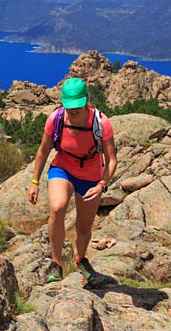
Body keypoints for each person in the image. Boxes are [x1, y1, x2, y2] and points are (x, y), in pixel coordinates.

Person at [27, 77, 117, 285]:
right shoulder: (56, 119)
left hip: (92, 177)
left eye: (77, 106)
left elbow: (111, 160)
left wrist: (101, 185)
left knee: (83, 227)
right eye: (69, 106)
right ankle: (56, 264)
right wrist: (34, 181)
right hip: (63, 168)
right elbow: (43, 151)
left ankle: (81, 259)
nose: (73, 111)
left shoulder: (100, 123)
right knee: (57, 208)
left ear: (86, 101)